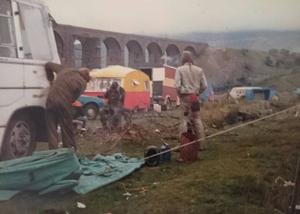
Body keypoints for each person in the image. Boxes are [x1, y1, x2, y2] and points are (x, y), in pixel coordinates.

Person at [45, 62, 90, 150]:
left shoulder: (64, 70)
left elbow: (48, 65)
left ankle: (53, 151)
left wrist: (51, 80)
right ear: (86, 77)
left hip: (50, 100)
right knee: (66, 128)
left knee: (51, 128)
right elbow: (73, 99)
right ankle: (68, 150)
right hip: (63, 103)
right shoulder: (82, 83)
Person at [175, 51, 208, 152]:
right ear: (191, 59)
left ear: (183, 59)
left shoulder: (179, 70)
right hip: (195, 97)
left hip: (185, 97)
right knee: (197, 119)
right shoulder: (199, 70)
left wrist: (180, 96)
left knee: (184, 119)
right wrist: (198, 93)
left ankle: (183, 145)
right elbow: (205, 86)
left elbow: (177, 86)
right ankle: (202, 144)